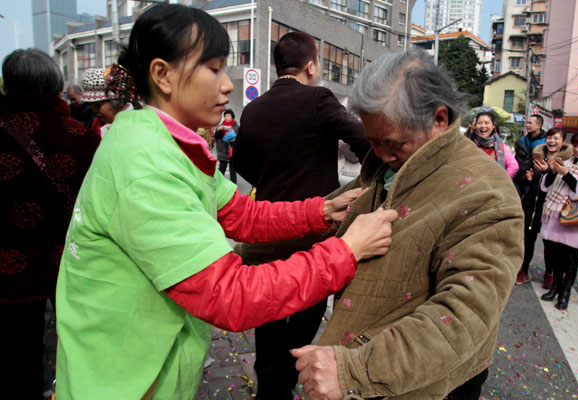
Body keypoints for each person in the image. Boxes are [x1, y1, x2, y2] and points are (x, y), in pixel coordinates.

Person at [54, 5, 397, 399]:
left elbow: (241, 213)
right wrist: (346, 251)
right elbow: (230, 294)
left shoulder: (169, 146)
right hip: (122, 381)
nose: (228, 84)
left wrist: (321, 210)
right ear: (163, 75)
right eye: (213, 68)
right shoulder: (144, 166)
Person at [288, 48, 524, 400]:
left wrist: (356, 370)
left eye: (393, 143)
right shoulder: (389, 169)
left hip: (423, 384)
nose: (381, 155)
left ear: (439, 119)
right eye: (372, 142)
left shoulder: (488, 194)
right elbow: (323, 219)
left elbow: (464, 316)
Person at [233, 31, 371, 399]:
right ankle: (283, 378)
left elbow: (242, 162)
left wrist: (268, 181)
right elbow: (362, 140)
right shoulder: (318, 99)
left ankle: (270, 380)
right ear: (311, 66)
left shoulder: (253, 109)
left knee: (270, 304)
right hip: (314, 226)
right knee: (308, 302)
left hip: (267, 226)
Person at [0, 48, 99, 400]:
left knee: (19, 348)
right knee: (77, 337)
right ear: (55, 84)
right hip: (69, 256)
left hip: (10, 263)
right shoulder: (78, 133)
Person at [539, 129, 578, 310]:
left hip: (573, 219)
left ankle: (565, 292)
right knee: (555, 256)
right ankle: (556, 286)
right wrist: (550, 171)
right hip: (555, 215)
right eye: (576, 145)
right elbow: (546, 187)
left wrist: (566, 174)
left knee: (570, 258)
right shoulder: (567, 161)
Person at [516, 127, 572, 285]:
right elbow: (521, 175)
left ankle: (549, 273)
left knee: (551, 244)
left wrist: (548, 171)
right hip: (531, 205)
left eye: (556, 138)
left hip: (553, 207)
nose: (552, 141)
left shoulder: (568, 161)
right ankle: (523, 270)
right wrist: (527, 177)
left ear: (563, 142)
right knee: (528, 240)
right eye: (549, 138)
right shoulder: (537, 155)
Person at [81, 66, 140, 138]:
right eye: (91, 105)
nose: (94, 110)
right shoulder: (98, 123)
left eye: (98, 105)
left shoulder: (139, 123)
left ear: (119, 102)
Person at [467, 111, 519, 178]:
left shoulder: (499, 145)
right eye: (479, 123)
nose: (483, 126)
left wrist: (503, 181)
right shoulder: (469, 143)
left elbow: (514, 166)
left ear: (493, 126)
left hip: (493, 186)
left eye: (487, 123)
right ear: (475, 126)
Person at [514, 114, 546, 196]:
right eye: (527, 123)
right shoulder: (522, 139)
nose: (527, 125)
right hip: (518, 178)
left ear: (539, 125)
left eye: (530, 123)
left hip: (532, 180)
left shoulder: (545, 141)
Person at [215, 108, 238, 183]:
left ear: (232, 117)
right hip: (223, 150)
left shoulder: (236, 127)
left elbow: (241, 138)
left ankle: (233, 186)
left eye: (228, 116)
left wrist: (234, 135)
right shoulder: (220, 126)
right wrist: (219, 131)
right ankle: (219, 185)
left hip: (233, 151)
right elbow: (216, 137)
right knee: (221, 170)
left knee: (233, 171)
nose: (227, 118)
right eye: (225, 116)